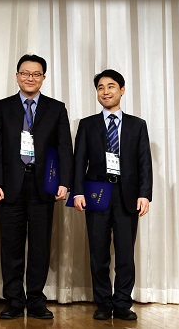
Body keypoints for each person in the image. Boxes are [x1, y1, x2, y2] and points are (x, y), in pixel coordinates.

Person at [0, 54, 74, 320]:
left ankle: (36, 300)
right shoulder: (2, 107)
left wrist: (65, 182)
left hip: (43, 186)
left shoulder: (56, 108)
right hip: (9, 186)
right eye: (25, 73)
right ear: (17, 76)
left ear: (43, 78)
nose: (30, 78)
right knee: (11, 246)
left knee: (39, 246)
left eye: (36, 74)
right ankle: (14, 300)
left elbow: (64, 148)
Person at [73, 69, 152, 321]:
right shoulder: (87, 124)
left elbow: (144, 162)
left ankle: (122, 303)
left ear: (122, 90)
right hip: (97, 194)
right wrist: (77, 192)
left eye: (111, 86)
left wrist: (145, 194)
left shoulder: (137, 125)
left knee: (125, 254)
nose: (105, 91)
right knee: (99, 253)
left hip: (127, 196)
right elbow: (79, 162)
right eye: (100, 87)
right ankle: (103, 303)